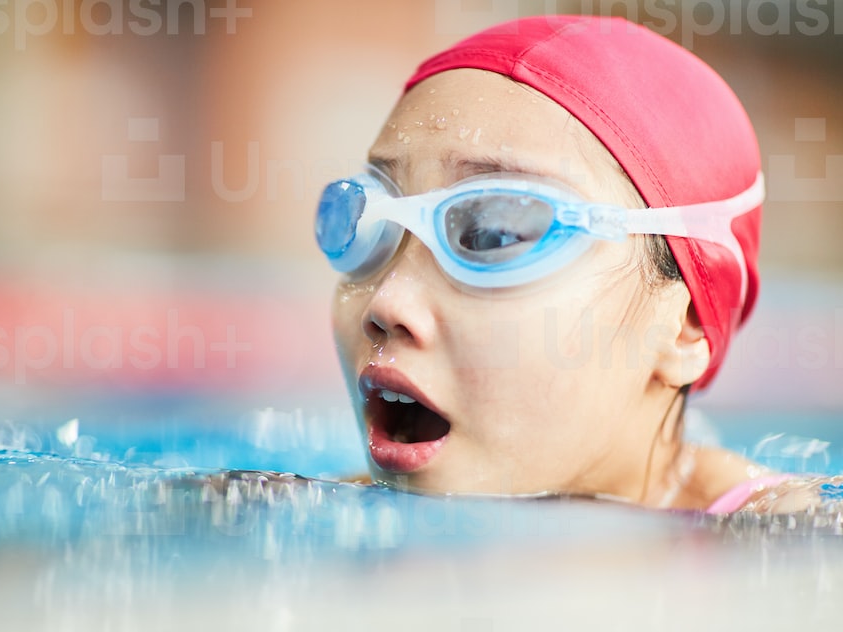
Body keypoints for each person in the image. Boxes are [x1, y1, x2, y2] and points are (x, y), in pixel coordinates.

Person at [314, 15, 806, 513]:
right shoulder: (311, 506)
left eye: (492, 233)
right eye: (372, 225)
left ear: (684, 328)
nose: (386, 302)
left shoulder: (796, 541)